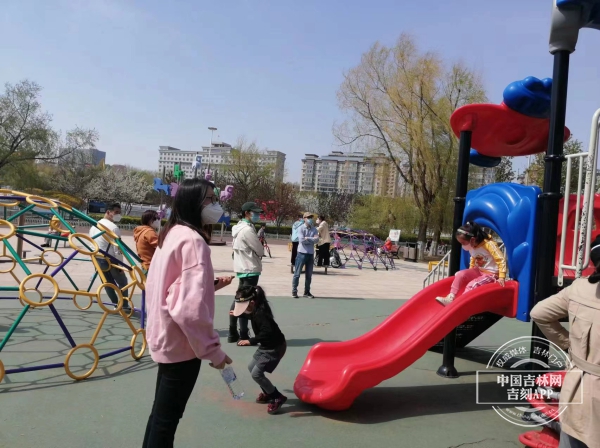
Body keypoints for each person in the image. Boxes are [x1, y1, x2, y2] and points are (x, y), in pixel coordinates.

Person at [143, 178, 233, 448]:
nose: (215, 205)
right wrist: (213, 351)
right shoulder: (193, 241)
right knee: (166, 420)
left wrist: (207, 287)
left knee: (160, 416)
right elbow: (188, 310)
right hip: (183, 344)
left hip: (165, 336)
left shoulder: (171, 233)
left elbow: (171, 289)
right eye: (210, 199)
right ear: (194, 202)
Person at [530, 235, 600, 448]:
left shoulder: (578, 288)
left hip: (575, 385)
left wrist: (570, 345)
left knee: (571, 438)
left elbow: (539, 313)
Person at [233, 285, 287, 414]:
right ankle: (268, 392)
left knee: (256, 374)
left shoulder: (261, 313)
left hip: (274, 347)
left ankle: (277, 397)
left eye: (244, 307)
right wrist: (242, 314)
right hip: (265, 346)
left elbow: (267, 332)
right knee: (251, 367)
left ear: (252, 302)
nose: (243, 310)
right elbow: (251, 315)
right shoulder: (256, 308)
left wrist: (250, 341)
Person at [436, 221, 506, 306]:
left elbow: (501, 259)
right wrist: (470, 272)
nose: (462, 245)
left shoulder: (488, 244)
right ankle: (450, 297)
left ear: (472, 239)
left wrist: (501, 277)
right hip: (479, 271)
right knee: (459, 274)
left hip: (491, 274)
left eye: (463, 243)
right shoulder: (472, 246)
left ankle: (460, 303)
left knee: (472, 285)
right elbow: (473, 258)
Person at [230, 202, 264, 343]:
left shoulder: (238, 228)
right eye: (254, 213)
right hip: (250, 267)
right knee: (245, 302)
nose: (257, 215)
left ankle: (234, 331)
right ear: (246, 213)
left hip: (242, 267)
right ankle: (242, 333)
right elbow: (259, 249)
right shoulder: (247, 230)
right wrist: (260, 249)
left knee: (240, 299)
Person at [89, 203, 131, 312]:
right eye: (116, 212)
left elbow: (91, 244)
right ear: (108, 212)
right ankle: (124, 305)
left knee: (107, 283)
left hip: (97, 258)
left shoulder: (94, 225)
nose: (118, 215)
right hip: (110, 259)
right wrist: (120, 265)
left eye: (119, 213)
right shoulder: (113, 227)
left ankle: (116, 304)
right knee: (123, 282)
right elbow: (118, 249)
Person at [292, 212, 319, 299]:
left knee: (309, 275)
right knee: (297, 274)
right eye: (308, 217)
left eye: (311, 217)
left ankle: (307, 292)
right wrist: (311, 240)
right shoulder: (300, 228)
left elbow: (317, 240)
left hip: (310, 254)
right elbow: (302, 240)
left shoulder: (314, 229)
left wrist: (308, 238)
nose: (310, 219)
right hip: (301, 253)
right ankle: (294, 291)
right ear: (304, 218)